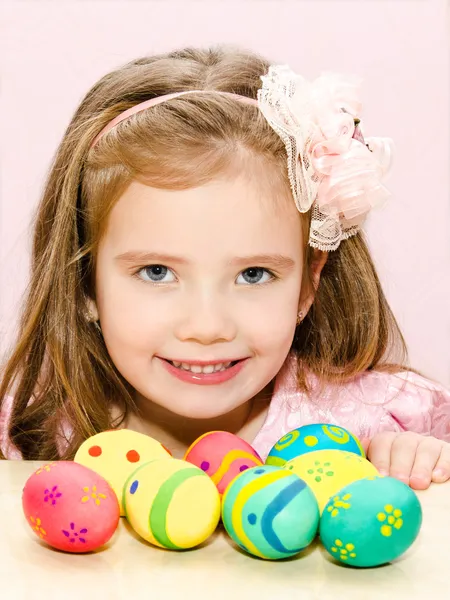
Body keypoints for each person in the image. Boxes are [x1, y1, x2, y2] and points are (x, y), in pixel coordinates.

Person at [1, 45, 449, 492]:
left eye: (253, 274)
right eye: (157, 272)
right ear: (85, 283)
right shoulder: (32, 426)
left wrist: (422, 462)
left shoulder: (377, 422)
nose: (207, 326)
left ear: (309, 283)